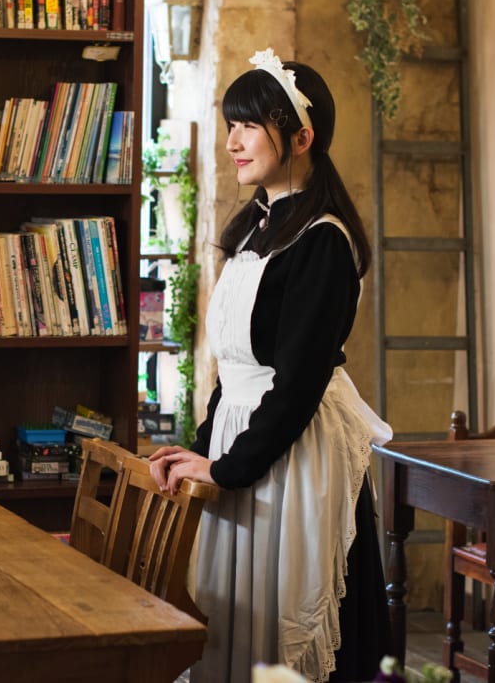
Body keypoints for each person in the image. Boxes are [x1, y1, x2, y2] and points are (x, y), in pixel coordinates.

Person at [149, 48, 394, 683]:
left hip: (293, 460)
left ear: (301, 137)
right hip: (246, 448)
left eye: (249, 125)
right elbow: (234, 368)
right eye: (231, 124)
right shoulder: (257, 228)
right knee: (234, 627)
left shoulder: (323, 242)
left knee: (283, 630)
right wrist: (200, 452)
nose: (233, 141)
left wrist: (228, 467)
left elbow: (297, 389)